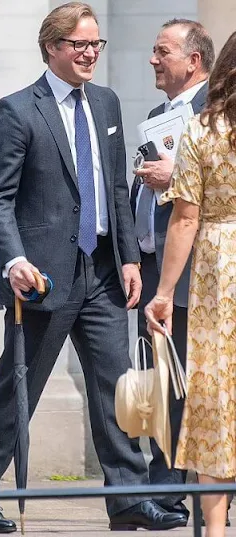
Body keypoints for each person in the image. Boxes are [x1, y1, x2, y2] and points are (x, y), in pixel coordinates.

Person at [0, 3, 188, 533]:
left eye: (96, 45)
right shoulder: (17, 110)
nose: (90, 54)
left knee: (117, 387)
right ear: (52, 48)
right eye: (80, 45)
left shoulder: (106, 103)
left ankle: (128, 499)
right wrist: (14, 259)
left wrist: (130, 257)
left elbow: (114, 190)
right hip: (44, 277)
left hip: (104, 272)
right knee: (18, 386)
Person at [145, 29, 236, 537]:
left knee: (215, 397)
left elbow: (184, 220)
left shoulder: (204, 130)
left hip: (219, 266)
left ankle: (215, 530)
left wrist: (163, 294)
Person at [131, 18, 214, 521]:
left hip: (197, 270)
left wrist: (173, 177)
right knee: (165, 380)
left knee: (193, 380)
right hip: (152, 264)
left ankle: (173, 487)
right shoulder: (157, 113)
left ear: (194, 61)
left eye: (163, 51)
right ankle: (165, 486)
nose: (153, 60)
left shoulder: (216, 114)